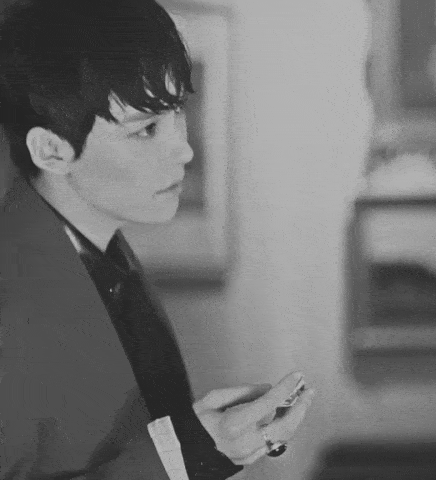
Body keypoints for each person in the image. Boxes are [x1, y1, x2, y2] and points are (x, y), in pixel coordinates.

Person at [0, 0, 315, 478]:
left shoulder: (102, 255)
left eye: (176, 112)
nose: (183, 149)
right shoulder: (13, 297)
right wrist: (190, 453)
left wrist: (208, 443)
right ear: (51, 150)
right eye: (145, 129)